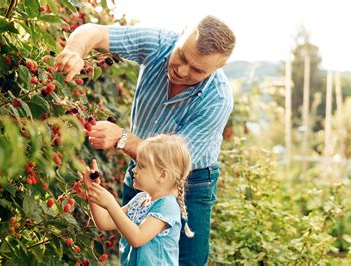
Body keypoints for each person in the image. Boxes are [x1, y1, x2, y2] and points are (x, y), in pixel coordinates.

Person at [55, 15, 235, 265]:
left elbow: (170, 162)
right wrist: (74, 52)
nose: (182, 71)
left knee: (188, 260)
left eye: (197, 70)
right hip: (142, 167)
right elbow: (93, 32)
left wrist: (122, 139)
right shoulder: (159, 42)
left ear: (217, 69)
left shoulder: (217, 100)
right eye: (182, 56)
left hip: (190, 179)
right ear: (180, 34)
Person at [85, 134, 193, 266]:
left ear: (163, 175)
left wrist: (111, 203)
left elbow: (137, 238)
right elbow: (104, 222)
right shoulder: (140, 199)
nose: (134, 170)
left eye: (141, 166)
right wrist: (92, 189)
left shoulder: (167, 206)